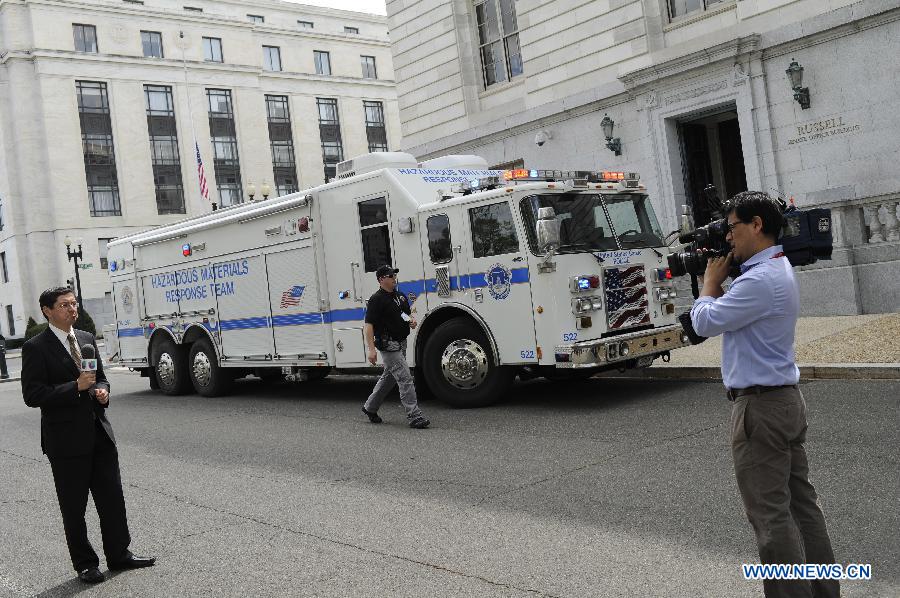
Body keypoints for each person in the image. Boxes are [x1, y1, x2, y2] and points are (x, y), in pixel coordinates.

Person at [690, 192, 839, 598]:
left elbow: (703, 322)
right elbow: (736, 313)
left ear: (757, 225)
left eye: (732, 227)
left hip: (760, 408)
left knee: (771, 518)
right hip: (783, 401)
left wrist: (708, 283)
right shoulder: (776, 268)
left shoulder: (759, 280)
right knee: (802, 507)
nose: (728, 237)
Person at [21, 287, 155, 584]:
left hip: (99, 434)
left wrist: (102, 391)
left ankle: (120, 554)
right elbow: (32, 395)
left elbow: (99, 377)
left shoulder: (85, 339)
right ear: (47, 310)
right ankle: (85, 564)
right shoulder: (36, 347)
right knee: (74, 507)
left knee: (112, 499)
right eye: (65, 305)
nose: (72, 309)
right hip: (66, 442)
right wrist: (75, 387)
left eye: (74, 303)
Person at [361, 265, 430, 429]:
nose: (394, 278)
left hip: (401, 342)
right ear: (381, 279)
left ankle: (370, 408)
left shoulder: (399, 296)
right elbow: (368, 326)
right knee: (405, 378)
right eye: (390, 276)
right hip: (389, 345)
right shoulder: (376, 299)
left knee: (389, 377)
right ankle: (415, 416)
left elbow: (401, 313)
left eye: (394, 275)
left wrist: (410, 320)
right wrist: (371, 350)